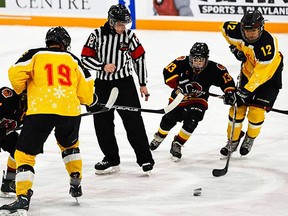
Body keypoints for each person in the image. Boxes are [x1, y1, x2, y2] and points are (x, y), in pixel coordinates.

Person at [0, 26, 95, 215]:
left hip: (40, 110)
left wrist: (24, 89)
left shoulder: (36, 54)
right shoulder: (73, 59)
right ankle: (75, 178)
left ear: (48, 42)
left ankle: (23, 198)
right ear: (65, 44)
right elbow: (86, 89)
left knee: (25, 155)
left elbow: (15, 74)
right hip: (70, 111)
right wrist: (92, 101)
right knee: (70, 146)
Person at [81, 4, 155, 175]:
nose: (123, 28)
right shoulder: (96, 35)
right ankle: (111, 158)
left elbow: (140, 58)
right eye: (120, 24)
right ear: (112, 21)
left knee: (134, 122)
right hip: (102, 85)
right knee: (102, 124)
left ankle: (145, 159)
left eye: (125, 24)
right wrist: (102, 66)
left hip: (125, 85)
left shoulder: (129, 36)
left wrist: (142, 83)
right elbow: (85, 59)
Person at [149, 42, 236, 160]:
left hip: (199, 100)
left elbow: (227, 81)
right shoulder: (182, 61)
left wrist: (229, 93)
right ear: (190, 58)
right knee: (169, 119)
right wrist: (180, 84)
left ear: (206, 60)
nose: (197, 63)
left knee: (193, 120)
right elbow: (167, 72)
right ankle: (159, 136)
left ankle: (178, 143)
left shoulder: (214, 68)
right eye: (195, 60)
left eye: (201, 60)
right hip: (179, 98)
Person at [220, 10, 283, 157]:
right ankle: (233, 140)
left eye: (254, 30)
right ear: (242, 28)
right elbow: (223, 28)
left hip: (269, 77)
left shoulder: (267, 45)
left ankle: (250, 137)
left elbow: (261, 75)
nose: (251, 34)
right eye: (247, 31)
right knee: (237, 109)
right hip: (249, 73)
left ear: (261, 28)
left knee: (256, 113)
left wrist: (245, 92)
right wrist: (235, 49)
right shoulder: (235, 31)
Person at [0, 87, 26, 198]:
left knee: (19, 149)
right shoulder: (7, 95)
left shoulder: (34, 103)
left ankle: (8, 182)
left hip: (7, 134)